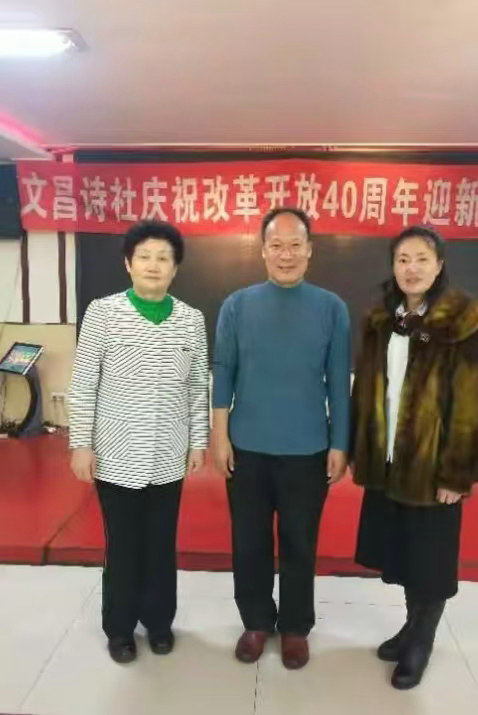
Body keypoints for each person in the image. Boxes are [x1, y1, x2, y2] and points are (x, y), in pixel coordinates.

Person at [350, 225, 478, 689]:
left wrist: (457, 473)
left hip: (433, 465)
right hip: (389, 461)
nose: (411, 269)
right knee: (405, 552)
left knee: (430, 560)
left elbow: (471, 403)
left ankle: (421, 641)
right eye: (403, 259)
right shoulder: (382, 318)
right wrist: (359, 447)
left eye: (421, 259)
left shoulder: (461, 320)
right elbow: (366, 388)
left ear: (439, 265)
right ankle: (410, 627)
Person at [212, 207, 351, 670]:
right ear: (263, 251)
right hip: (246, 447)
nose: (286, 254)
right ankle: (255, 621)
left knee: (299, 543)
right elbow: (223, 372)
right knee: (248, 541)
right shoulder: (237, 305)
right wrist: (219, 435)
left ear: (310, 251)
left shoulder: (331, 308)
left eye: (295, 245)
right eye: (277, 245)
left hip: (308, 449)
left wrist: (339, 442)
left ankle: (295, 627)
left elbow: (338, 380)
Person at [68, 220, 209, 664]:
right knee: (124, 544)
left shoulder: (191, 320)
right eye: (144, 256)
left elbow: (197, 387)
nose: (154, 265)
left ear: (175, 268)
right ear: (128, 264)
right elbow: (84, 382)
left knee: (161, 543)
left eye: (163, 258)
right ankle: (120, 628)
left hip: (169, 454)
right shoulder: (103, 313)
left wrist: (198, 442)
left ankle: (159, 622)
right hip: (115, 453)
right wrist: (81, 443)